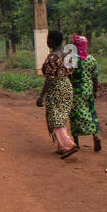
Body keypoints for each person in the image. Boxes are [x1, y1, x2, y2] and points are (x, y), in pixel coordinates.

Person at [36, 30, 78, 158]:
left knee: (55, 116)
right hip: (67, 86)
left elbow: (49, 78)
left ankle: (67, 144)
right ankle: (61, 146)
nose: (47, 41)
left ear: (53, 41)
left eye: (48, 39)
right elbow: (71, 72)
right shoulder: (67, 55)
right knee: (62, 115)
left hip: (56, 88)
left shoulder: (52, 57)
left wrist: (41, 95)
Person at [68, 34, 101, 152]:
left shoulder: (71, 59)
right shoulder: (91, 59)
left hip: (76, 91)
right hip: (88, 90)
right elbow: (95, 77)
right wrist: (95, 91)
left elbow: (67, 75)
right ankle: (95, 135)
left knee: (76, 115)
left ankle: (76, 142)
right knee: (91, 112)